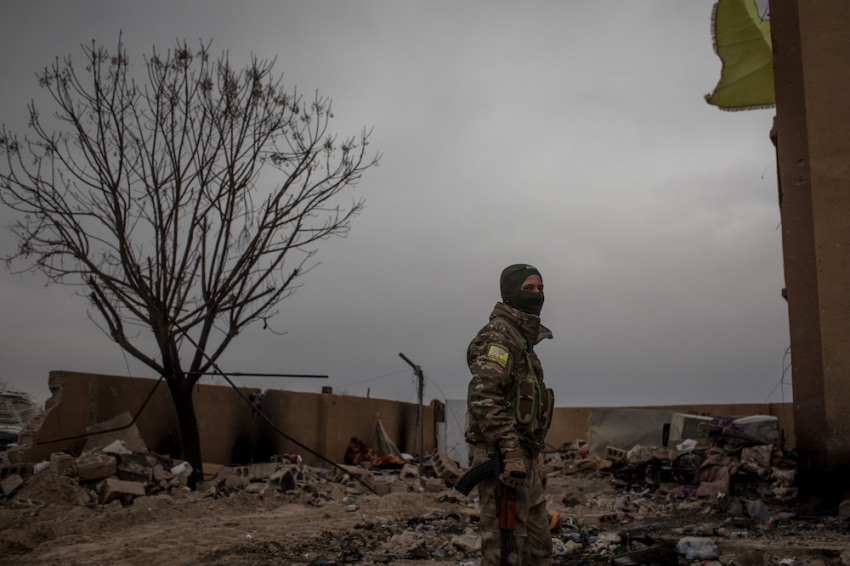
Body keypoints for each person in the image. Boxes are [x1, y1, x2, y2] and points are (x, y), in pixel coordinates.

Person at [465, 263, 554, 566]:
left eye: (540, 288)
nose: (536, 295)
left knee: (538, 551)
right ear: (510, 293)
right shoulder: (500, 337)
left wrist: (532, 456)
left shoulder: (524, 341)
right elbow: (483, 395)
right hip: (502, 458)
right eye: (528, 289)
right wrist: (510, 449)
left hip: (523, 457)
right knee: (505, 550)